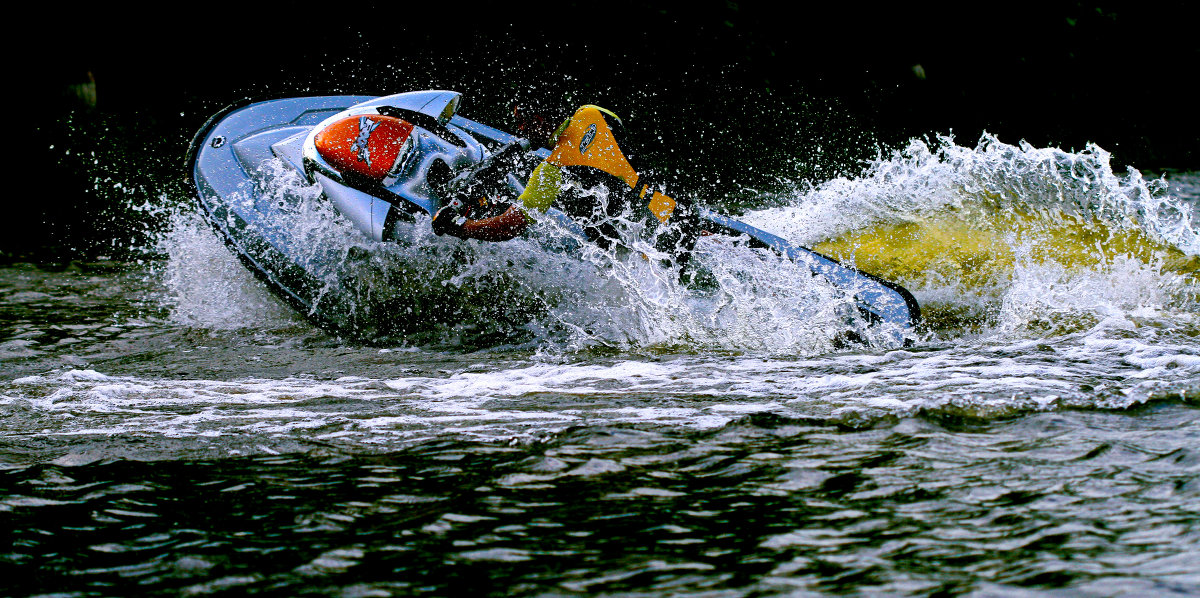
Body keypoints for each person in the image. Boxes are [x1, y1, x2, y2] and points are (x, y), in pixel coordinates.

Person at [431, 102, 702, 269]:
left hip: (655, 251)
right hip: (683, 214)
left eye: (521, 122)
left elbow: (508, 227)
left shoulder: (552, 169)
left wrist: (459, 227)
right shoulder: (593, 112)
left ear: (535, 121)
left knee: (589, 214)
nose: (520, 130)